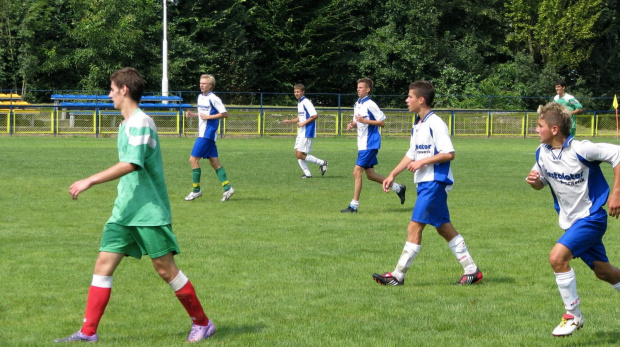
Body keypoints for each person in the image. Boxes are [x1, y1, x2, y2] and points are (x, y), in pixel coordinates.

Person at [55, 68, 215, 343]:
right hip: (124, 211)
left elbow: (132, 163)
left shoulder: (141, 122)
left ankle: (202, 322)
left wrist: (89, 180)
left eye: (112, 89)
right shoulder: (125, 123)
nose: (109, 94)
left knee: (165, 269)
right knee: (103, 264)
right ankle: (88, 332)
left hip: (148, 211)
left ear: (124, 90)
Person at [373, 81, 483, 286]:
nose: (406, 100)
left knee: (414, 226)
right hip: (424, 183)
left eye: (409, 96)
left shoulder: (436, 123)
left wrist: (422, 162)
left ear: (421, 99)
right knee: (443, 228)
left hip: (435, 181)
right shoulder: (418, 124)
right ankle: (471, 270)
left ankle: (397, 276)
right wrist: (393, 174)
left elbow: (449, 153)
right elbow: (411, 154)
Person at [526, 102, 620, 337]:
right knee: (604, 272)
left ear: (555, 129)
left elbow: (618, 154)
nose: (535, 130)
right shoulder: (542, 153)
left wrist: (617, 193)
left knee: (557, 258)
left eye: (539, 126)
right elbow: (541, 184)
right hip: (571, 221)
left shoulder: (580, 149)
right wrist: (535, 181)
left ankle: (573, 315)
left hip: (591, 217)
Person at [340, 78, 406, 213]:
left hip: (370, 143)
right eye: (357, 87)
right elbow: (357, 120)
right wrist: (352, 124)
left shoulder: (371, 104)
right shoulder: (357, 103)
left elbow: (382, 122)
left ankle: (354, 206)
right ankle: (398, 188)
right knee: (370, 175)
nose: (358, 89)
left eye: (361, 87)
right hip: (362, 144)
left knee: (357, 171)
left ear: (368, 89)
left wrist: (365, 120)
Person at [184, 74, 235, 202]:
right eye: (200, 83)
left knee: (193, 160)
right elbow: (203, 115)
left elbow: (224, 114)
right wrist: (193, 115)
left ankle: (196, 190)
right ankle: (228, 188)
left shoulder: (214, 98)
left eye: (204, 83)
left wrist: (209, 118)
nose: (201, 85)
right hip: (206, 135)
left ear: (211, 85)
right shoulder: (200, 97)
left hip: (207, 135)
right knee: (214, 163)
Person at [282, 84, 328, 178]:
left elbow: (315, 115)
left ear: (303, 92)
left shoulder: (306, 102)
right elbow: (301, 117)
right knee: (297, 153)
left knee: (300, 154)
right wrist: (290, 121)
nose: (296, 93)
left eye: (298, 91)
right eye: (295, 92)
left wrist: (303, 124)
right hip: (301, 131)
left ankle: (322, 163)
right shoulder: (300, 102)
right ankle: (307, 174)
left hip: (307, 131)